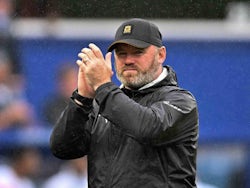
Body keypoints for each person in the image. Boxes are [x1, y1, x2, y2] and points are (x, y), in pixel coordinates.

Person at [50, 18, 199, 187]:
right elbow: (63, 148)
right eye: (122, 53)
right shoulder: (105, 102)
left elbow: (147, 127)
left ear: (161, 54)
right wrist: (82, 99)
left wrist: (103, 86)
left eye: (137, 52)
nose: (128, 60)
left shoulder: (182, 101)